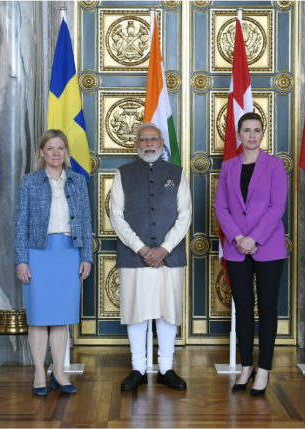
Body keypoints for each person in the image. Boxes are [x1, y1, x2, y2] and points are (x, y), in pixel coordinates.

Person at [109, 122, 191, 391]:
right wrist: (142, 249)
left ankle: (166, 368)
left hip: (170, 256)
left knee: (168, 312)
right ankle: (138, 369)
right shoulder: (123, 173)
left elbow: (185, 215)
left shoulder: (177, 173)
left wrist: (164, 249)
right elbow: (116, 217)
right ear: (136, 145)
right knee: (136, 312)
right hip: (135, 258)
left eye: (154, 139)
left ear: (162, 142)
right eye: (143, 140)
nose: (149, 144)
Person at [214, 112, 288, 397]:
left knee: (268, 309)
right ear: (239, 134)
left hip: (268, 248)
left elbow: (277, 206)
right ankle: (246, 367)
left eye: (257, 130)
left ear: (262, 133)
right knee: (243, 309)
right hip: (236, 248)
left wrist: (253, 238)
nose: (252, 135)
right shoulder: (229, 167)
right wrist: (238, 238)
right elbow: (221, 207)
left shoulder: (275, 165)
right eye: (247, 130)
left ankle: (265, 369)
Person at [14, 129, 93, 395]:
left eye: (60, 148)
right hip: (38, 253)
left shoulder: (78, 181)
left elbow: (86, 220)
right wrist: (21, 260)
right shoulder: (29, 181)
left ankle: (59, 372)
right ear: (41, 152)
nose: (56, 153)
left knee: (61, 317)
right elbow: (19, 224)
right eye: (50, 148)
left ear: (66, 152)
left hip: (69, 252)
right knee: (38, 317)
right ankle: (39, 372)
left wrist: (86, 257)